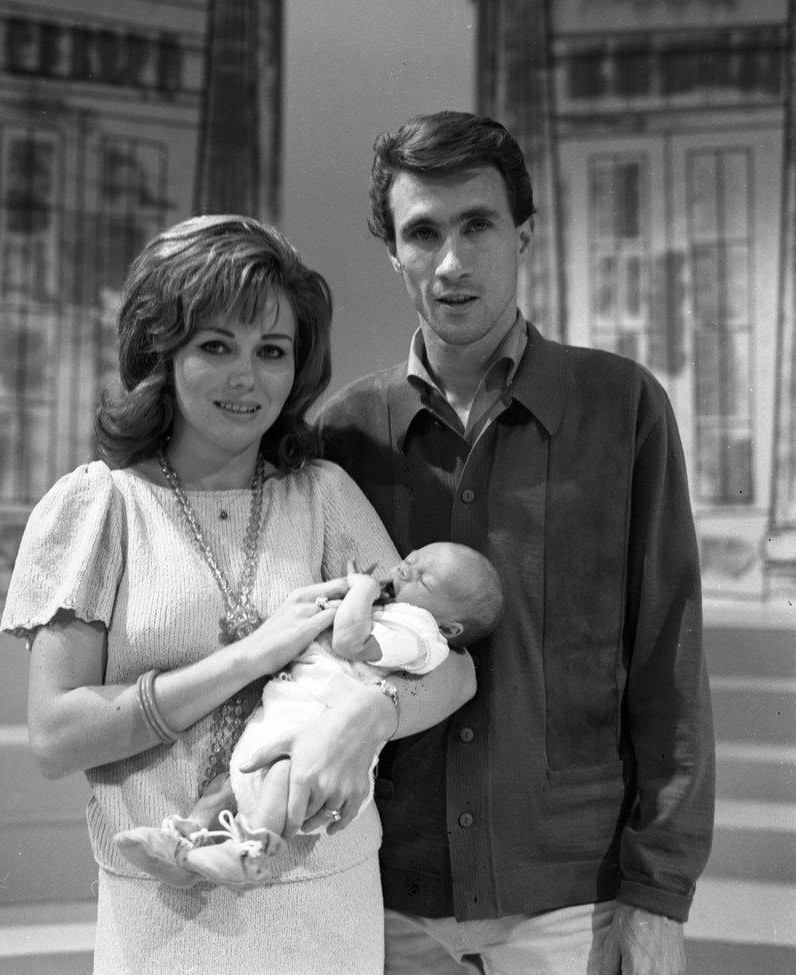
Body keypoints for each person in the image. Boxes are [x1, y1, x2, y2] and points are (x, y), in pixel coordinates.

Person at [0, 213, 478, 975]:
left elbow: (452, 669)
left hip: (326, 900)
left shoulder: (325, 495)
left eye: (272, 351)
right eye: (215, 345)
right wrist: (250, 655)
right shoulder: (99, 506)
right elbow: (56, 735)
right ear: (162, 352)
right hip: (164, 911)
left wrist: (371, 712)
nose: (246, 377)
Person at [318, 112, 715, 975]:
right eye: (423, 233)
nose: (452, 262)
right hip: (386, 904)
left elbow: (667, 666)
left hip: (575, 907)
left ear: (524, 234)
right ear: (395, 254)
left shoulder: (622, 408)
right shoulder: (342, 435)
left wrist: (659, 897)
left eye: (478, 225)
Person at [114, 540, 503, 888]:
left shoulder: (420, 634)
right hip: (293, 708)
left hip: (320, 726)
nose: (406, 569)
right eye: (413, 557)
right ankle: (187, 844)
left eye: (425, 580)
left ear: (450, 628)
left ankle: (250, 850)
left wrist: (363, 591)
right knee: (229, 782)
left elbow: (350, 641)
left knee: (285, 770)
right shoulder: (398, 610)